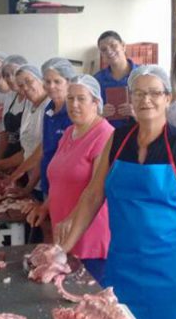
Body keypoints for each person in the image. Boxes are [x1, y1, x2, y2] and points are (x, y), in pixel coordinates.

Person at [56, 65, 176, 319]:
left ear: (168, 98)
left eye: (155, 93)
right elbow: (93, 195)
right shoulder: (117, 141)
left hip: (173, 270)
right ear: (130, 98)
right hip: (124, 265)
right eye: (139, 93)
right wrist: (63, 249)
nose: (146, 100)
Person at [27, 74, 112, 269]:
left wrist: (72, 219)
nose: (73, 105)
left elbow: (95, 189)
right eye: (70, 98)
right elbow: (59, 180)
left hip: (90, 236)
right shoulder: (69, 133)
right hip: (63, 235)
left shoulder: (104, 135)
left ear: (96, 102)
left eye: (81, 99)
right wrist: (45, 206)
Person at [10, 58, 75, 197]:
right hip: (47, 186)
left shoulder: (73, 114)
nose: (51, 86)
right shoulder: (49, 111)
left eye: (57, 81)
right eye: (47, 81)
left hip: (66, 191)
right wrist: (28, 188)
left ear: (68, 82)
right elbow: (44, 154)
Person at [94, 30, 137, 128]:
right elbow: (90, 113)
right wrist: (100, 114)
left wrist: (136, 112)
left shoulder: (142, 75)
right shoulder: (97, 80)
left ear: (123, 46)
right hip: (108, 134)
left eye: (113, 45)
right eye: (104, 50)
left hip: (138, 132)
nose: (109, 51)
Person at [0, 55, 28, 160]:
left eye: (14, 73)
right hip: (9, 156)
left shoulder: (32, 99)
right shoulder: (9, 97)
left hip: (25, 158)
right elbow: (4, 134)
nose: (10, 79)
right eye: (6, 75)